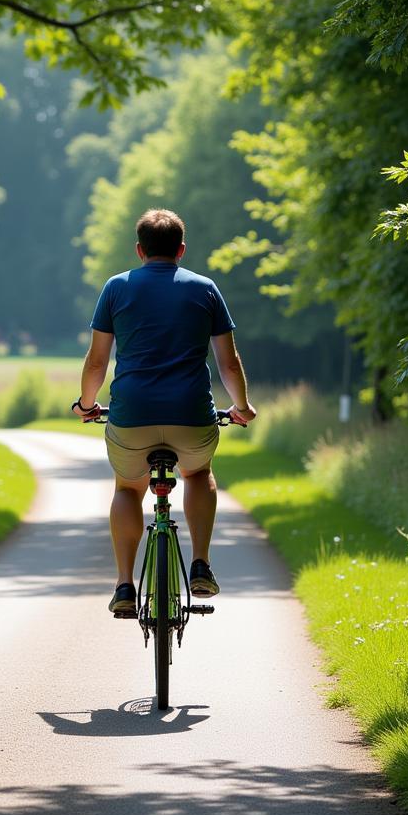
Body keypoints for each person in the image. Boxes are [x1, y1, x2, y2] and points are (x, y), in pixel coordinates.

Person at [73, 208, 256, 615]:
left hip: (132, 417)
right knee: (198, 473)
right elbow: (228, 364)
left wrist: (87, 404)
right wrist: (241, 407)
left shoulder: (116, 288)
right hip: (191, 418)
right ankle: (201, 564)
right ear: (181, 250)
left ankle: (124, 585)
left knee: (126, 488)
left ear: (139, 250)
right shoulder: (205, 288)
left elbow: (97, 363)